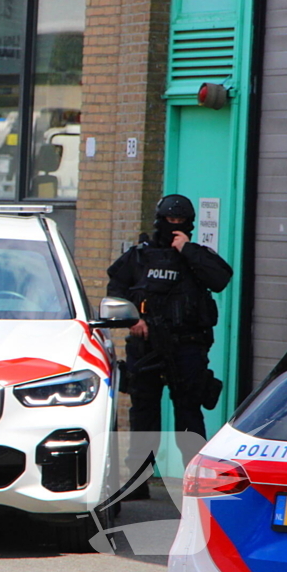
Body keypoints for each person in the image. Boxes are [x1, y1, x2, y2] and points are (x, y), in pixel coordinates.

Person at [106, 194, 232, 499]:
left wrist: (187, 250)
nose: (174, 226)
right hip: (146, 345)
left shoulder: (195, 256)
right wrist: (131, 318)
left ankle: (197, 480)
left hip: (187, 347)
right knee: (144, 413)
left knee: (189, 413)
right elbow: (115, 291)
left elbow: (221, 278)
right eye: (169, 221)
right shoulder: (138, 256)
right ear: (159, 221)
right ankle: (138, 481)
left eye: (180, 222)